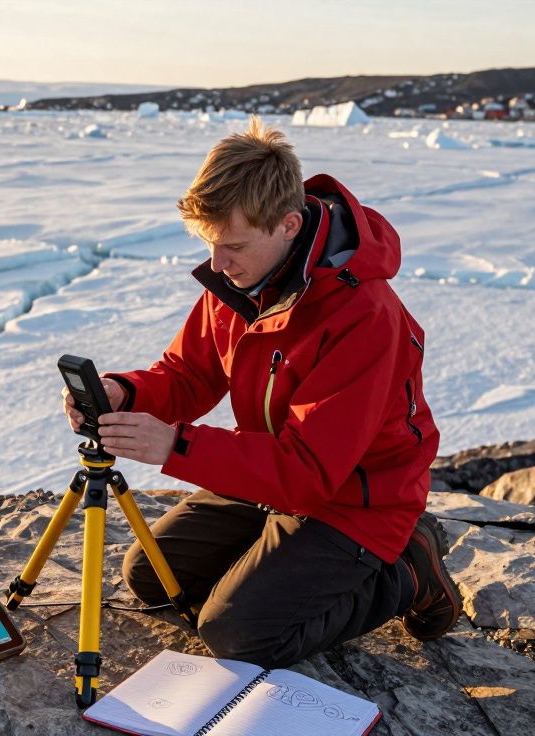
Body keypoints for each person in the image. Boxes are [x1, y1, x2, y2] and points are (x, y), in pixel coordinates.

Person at [61, 117, 460, 669]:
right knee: (151, 577)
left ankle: (409, 569)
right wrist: (125, 393)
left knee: (237, 635)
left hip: (355, 497)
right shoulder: (242, 280)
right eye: (210, 244)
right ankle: (279, 562)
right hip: (271, 475)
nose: (217, 265)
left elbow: (310, 470)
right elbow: (189, 375)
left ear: (289, 225)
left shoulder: (363, 316)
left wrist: (176, 447)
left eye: (233, 247)